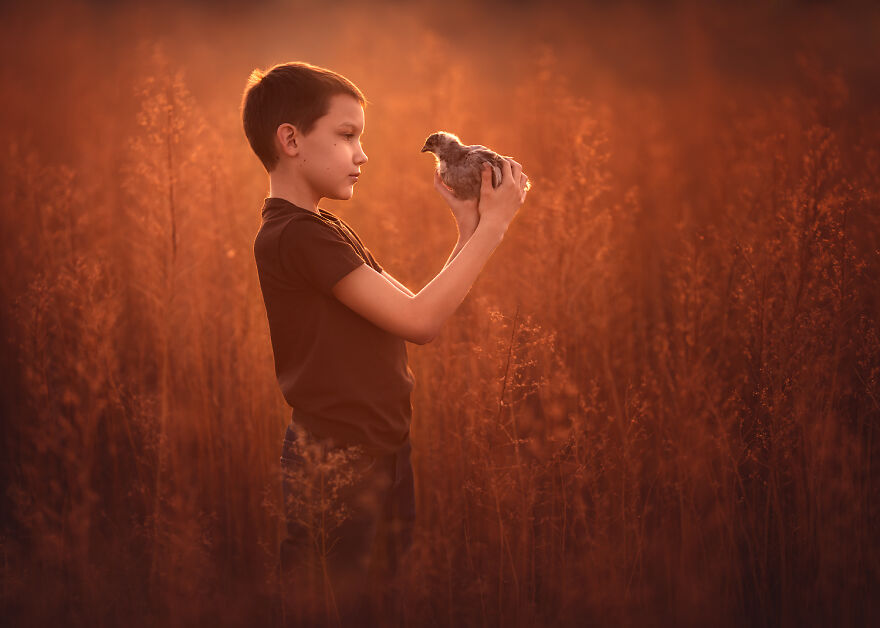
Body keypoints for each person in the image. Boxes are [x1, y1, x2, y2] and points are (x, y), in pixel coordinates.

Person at [241, 61, 529, 627]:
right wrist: (493, 229)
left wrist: (468, 230)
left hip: (380, 449)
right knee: (331, 606)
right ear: (291, 140)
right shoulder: (295, 236)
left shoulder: (321, 228)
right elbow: (421, 321)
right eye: (347, 135)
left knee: (379, 603)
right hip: (337, 460)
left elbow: (414, 313)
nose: (362, 153)